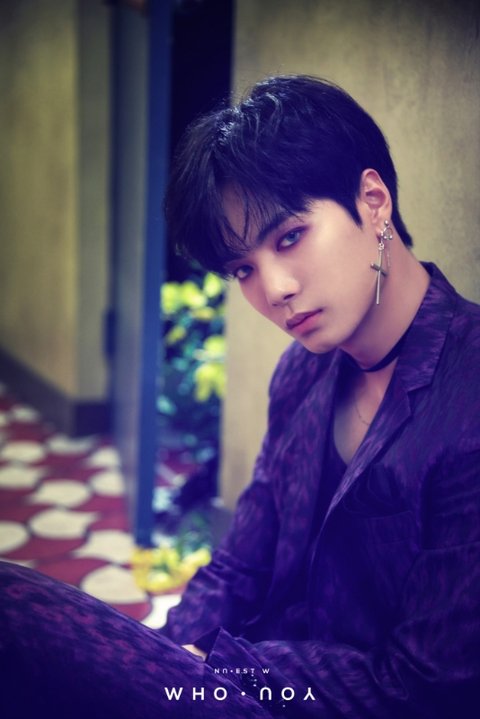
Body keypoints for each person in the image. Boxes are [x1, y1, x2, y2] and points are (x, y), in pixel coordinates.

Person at [1, 75, 479, 718]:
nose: (273, 290)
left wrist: (221, 669)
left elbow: (424, 687)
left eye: (289, 237)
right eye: (243, 269)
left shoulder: (467, 388)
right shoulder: (303, 373)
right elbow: (241, 561)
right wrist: (171, 655)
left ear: (373, 202)